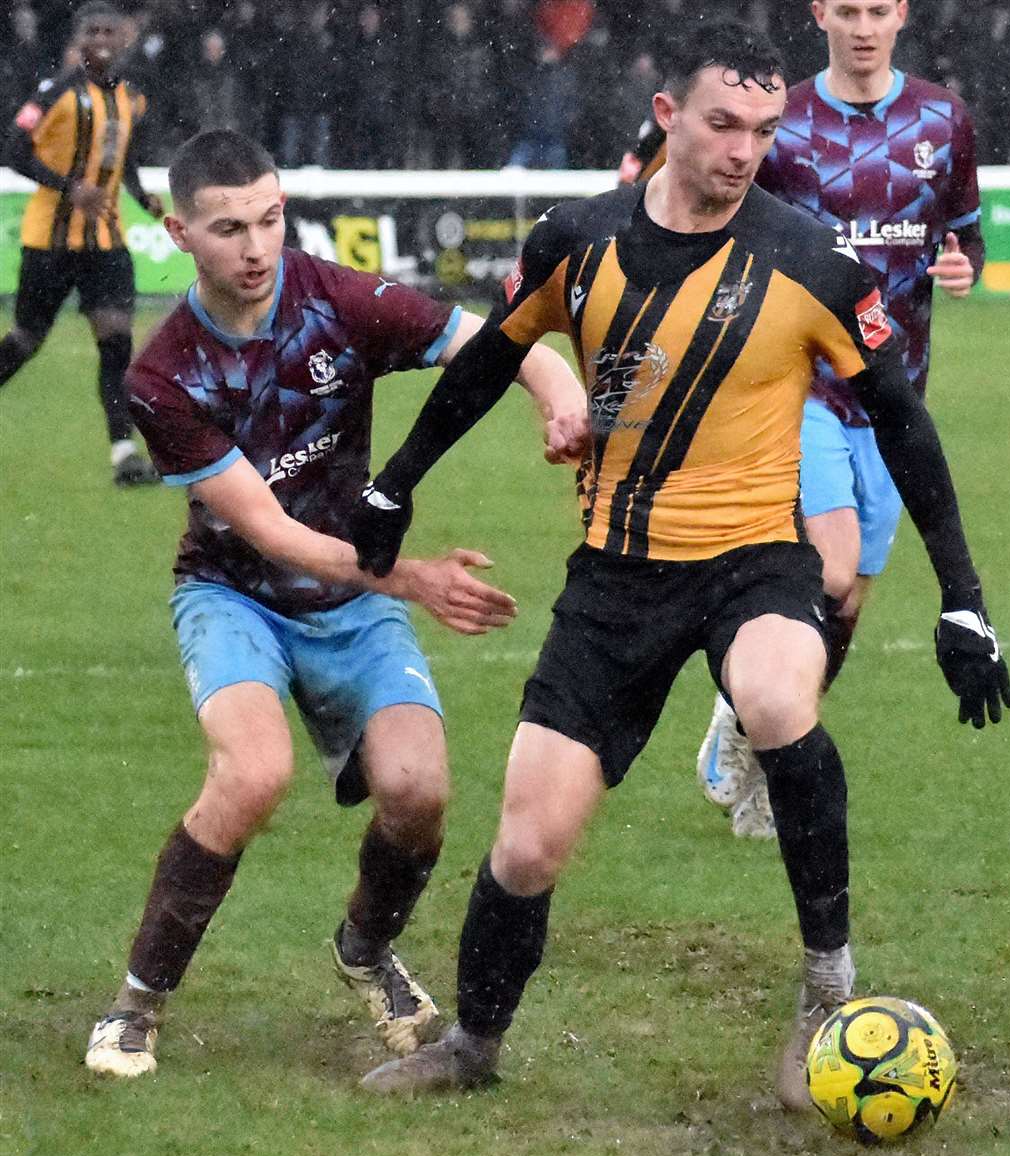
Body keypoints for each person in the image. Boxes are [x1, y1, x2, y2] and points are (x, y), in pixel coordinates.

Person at [349, 21, 1010, 1109]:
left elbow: (902, 422)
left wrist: (966, 600)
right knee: (528, 843)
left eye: (763, 129)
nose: (744, 149)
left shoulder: (811, 260)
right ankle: (472, 1045)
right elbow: (491, 361)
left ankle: (824, 995)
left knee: (774, 697)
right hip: (612, 577)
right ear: (666, 117)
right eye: (722, 124)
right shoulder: (578, 238)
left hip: (756, 560)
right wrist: (395, 483)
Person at [83, 128, 586, 1079]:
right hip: (236, 595)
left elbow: (499, 343)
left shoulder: (335, 297)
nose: (257, 247)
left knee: (419, 793)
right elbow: (269, 531)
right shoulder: (163, 375)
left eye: (270, 219)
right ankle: (135, 1006)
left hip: (350, 599)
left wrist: (556, 395)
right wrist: (415, 577)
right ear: (178, 233)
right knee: (251, 776)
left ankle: (365, 951)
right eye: (228, 227)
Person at [621, 1, 987, 838]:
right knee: (830, 568)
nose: (863, 26)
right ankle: (767, 745)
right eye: (847, 8)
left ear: (902, 14)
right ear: (821, 12)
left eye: (878, 9)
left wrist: (963, 264)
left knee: (849, 604)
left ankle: (747, 726)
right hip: (801, 383)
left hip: (895, 397)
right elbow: (684, 188)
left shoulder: (943, 118)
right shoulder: (779, 117)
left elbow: (963, 234)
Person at [0, 1, 163, 487]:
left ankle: (124, 456)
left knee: (115, 344)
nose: (101, 39)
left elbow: (122, 158)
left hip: (107, 241)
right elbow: (13, 150)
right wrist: (69, 187)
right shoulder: (55, 93)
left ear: (123, 39)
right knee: (26, 340)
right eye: (91, 31)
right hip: (50, 242)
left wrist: (139, 194)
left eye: (109, 30)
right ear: (79, 40)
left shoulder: (132, 100)